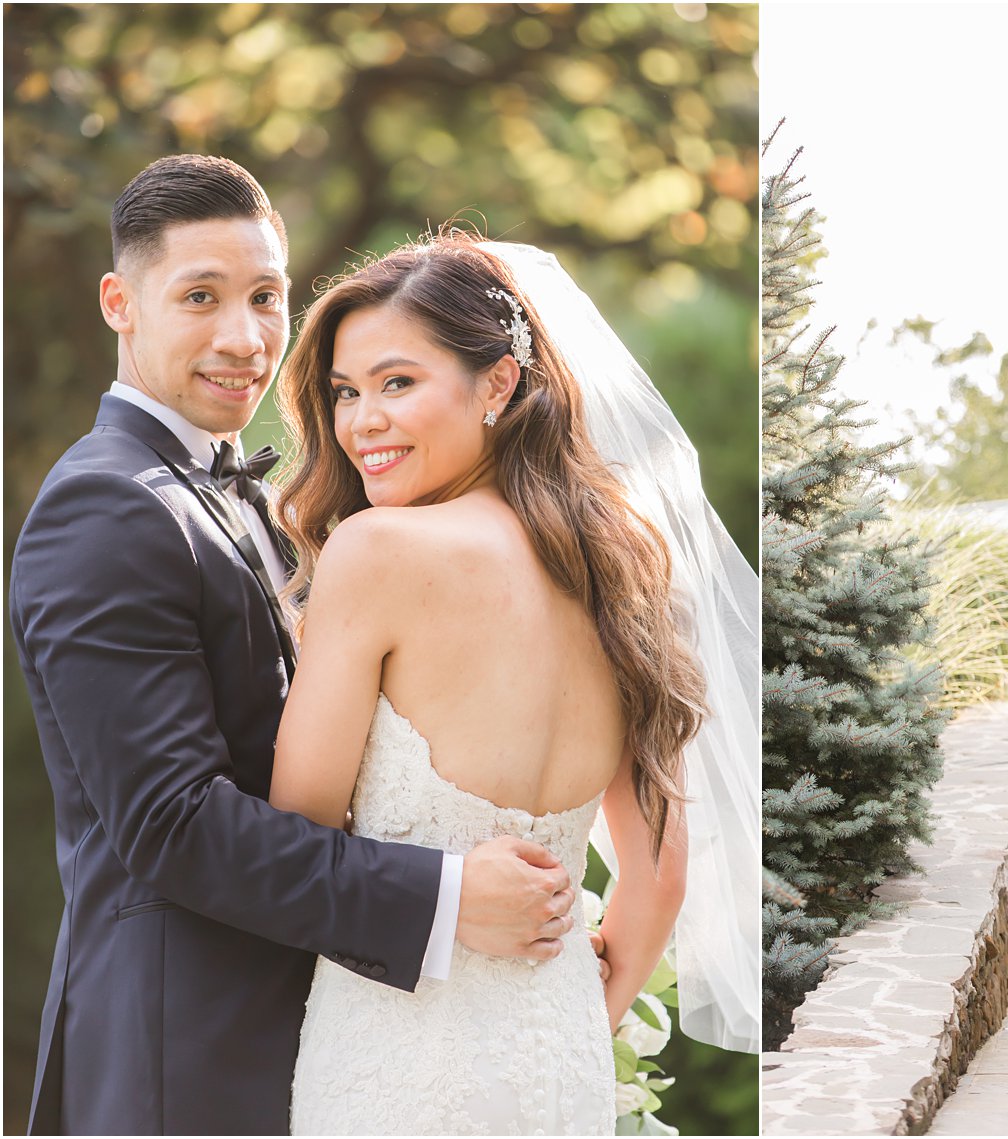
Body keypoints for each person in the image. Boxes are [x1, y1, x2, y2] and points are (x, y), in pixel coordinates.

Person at [8, 155, 583, 1136]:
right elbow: (171, 825)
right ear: (120, 301)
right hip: (186, 1059)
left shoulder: (257, 503)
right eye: (200, 296)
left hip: (328, 1041)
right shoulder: (103, 506)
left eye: (266, 296)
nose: (244, 337)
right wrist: (446, 894)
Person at [271, 230, 759, 1134]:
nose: (360, 422)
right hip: (560, 1058)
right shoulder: (625, 572)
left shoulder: (378, 553)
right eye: (345, 392)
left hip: (392, 1059)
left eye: (397, 383)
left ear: (498, 383)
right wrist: (573, 1020)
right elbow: (658, 876)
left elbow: (297, 833)